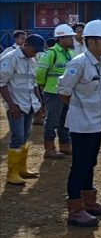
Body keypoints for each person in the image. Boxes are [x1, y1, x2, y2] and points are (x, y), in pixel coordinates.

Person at [57, 20, 101, 227]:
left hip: (96, 124)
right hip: (82, 125)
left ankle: (89, 201)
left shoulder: (99, 63)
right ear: (91, 41)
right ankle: (75, 210)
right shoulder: (79, 63)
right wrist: (79, 110)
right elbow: (64, 92)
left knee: (90, 163)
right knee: (79, 166)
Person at [1, 34, 45, 185]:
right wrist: (11, 105)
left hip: (29, 104)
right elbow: (1, 83)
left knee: (26, 135)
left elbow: (33, 84)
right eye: (34, 50)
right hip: (16, 106)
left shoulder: (32, 60)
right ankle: (12, 173)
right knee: (17, 136)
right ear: (26, 45)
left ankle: (21, 168)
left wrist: (40, 102)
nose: (35, 53)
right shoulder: (10, 58)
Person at [36, 24, 77, 159]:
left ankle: (65, 145)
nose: (72, 40)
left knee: (65, 120)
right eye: (69, 37)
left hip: (66, 92)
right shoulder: (51, 53)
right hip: (53, 92)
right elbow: (40, 72)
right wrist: (43, 87)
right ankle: (50, 148)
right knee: (52, 121)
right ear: (61, 38)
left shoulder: (71, 54)